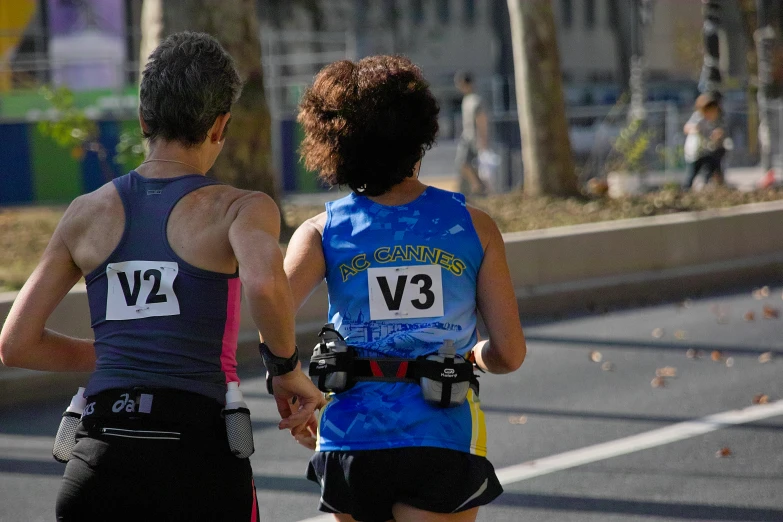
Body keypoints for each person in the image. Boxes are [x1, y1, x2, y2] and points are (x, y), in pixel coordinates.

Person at [0, 32, 323, 521]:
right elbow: (263, 285)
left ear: (143, 120)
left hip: (99, 452)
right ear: (220, 126)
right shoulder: (239, 209)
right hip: (197, 452)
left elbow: (16, 345)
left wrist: (120, 354)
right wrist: (286, 371)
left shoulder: (85, 214)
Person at [286, 55, 527, 522]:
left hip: (350, 440)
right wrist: (474, 355)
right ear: (421, 135)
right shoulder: (473, 227)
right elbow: (510, 354)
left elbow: (267, 308)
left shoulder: (321, 230)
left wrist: (291, 379)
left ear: (335, 144)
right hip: (443, 435)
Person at [454, 70, 490, 196]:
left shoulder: (475, 100)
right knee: (465, 165)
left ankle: (478, 186)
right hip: (467, 137)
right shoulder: (466, 99)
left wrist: (483, 140)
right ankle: (477, 187)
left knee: (464, 163)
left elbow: (481, 120)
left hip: (474, 138)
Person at [683, 92, 727, 189]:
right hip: (695, 152)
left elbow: (717, 133)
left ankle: (713, 185)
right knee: (692, 174)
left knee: (713, 165)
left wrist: (717, 135)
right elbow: (686, 128)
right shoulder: (698, 118)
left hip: (707, 151)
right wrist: (695, 129)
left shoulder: (715, 120)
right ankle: (685, 190)